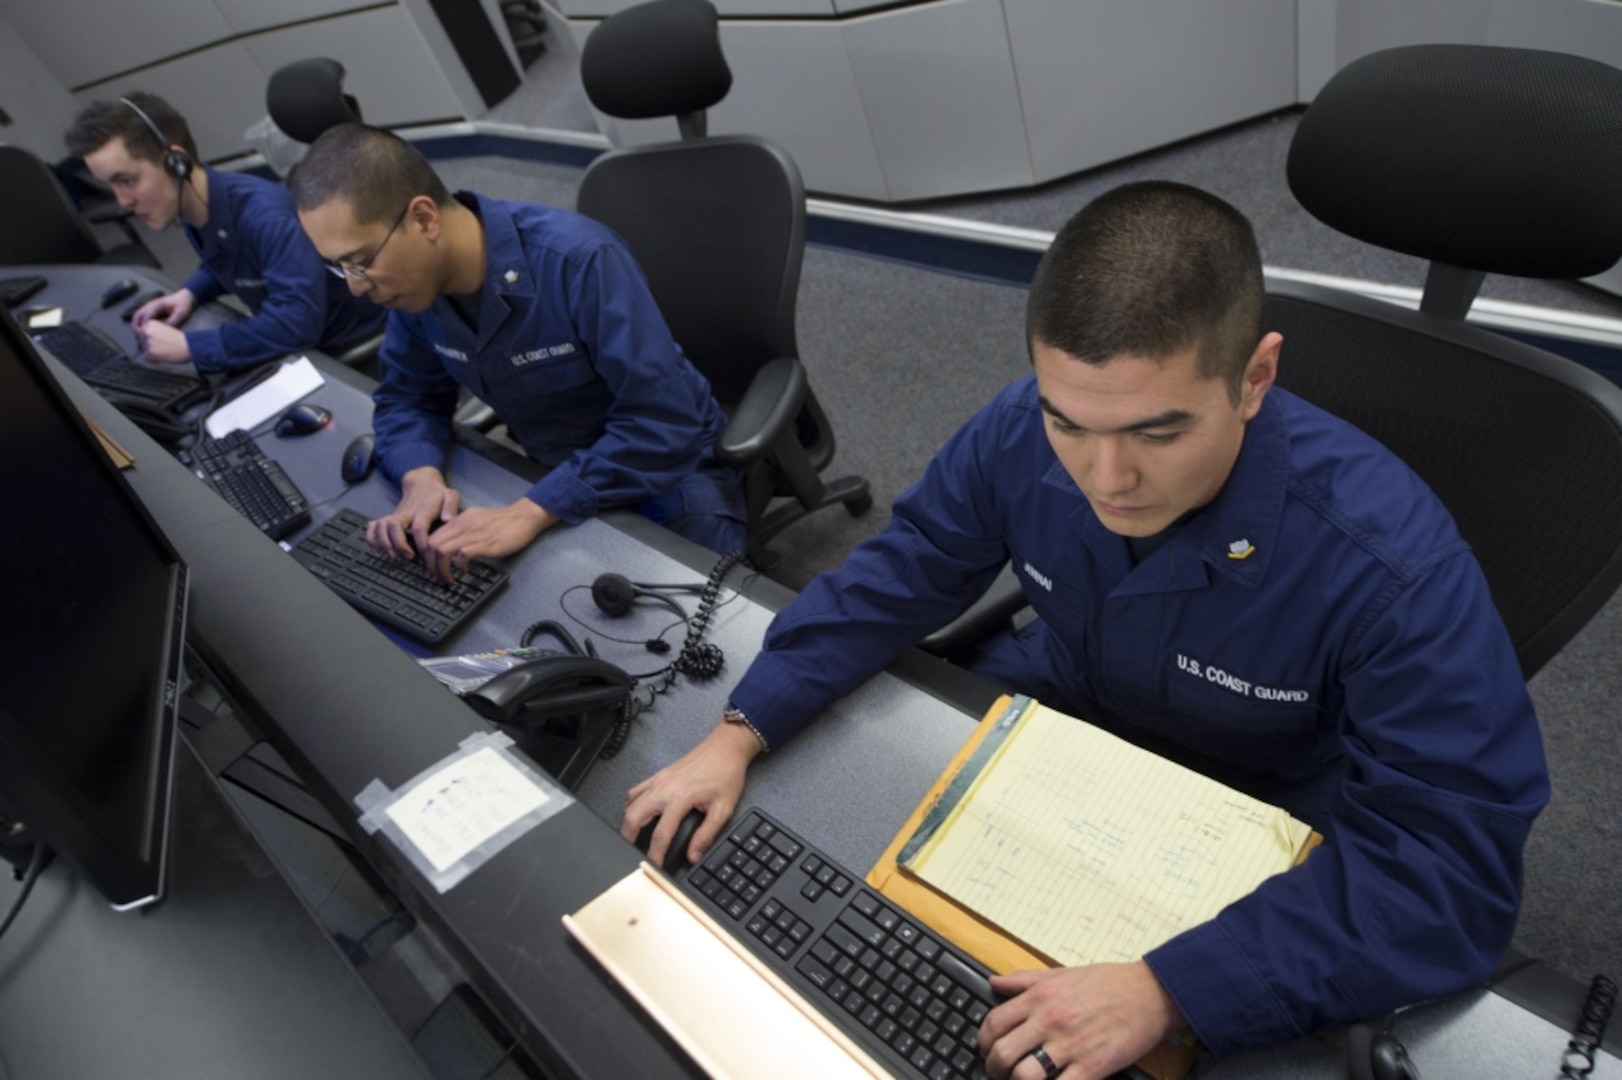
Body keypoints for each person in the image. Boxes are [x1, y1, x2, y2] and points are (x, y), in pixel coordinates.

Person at [621, 182, 1549, 1077]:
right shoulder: (1020, 431)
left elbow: (1449, 870)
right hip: (1075, 701)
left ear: (1255, 377)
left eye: (1157, 432)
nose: (1106, 479)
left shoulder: (1390, 565)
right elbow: (907, 567)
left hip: (1266, 783)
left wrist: (1173, 989)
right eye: (1070, 421)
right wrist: (743, 729)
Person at [287, 124, 746, 578]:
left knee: (682, 632)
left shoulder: (578, 261)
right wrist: (419, 474)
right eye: (339, 267)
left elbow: (663, 423)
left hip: (670, 475)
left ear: (425, 219)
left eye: (361, 261)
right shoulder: (413, 290)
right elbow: (408, 397)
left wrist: (533, 510)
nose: (353, 287)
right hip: (549, 474)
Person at [64, 92, 384, 374]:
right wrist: (189, 293)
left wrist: (192, 346)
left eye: (128, 180)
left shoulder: (266, 218)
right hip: (306, 340)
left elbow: (296, 323)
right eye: (112, 185)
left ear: (177, 161)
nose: (122, 201)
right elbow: (234, 259)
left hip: (345, 352)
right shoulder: (199, 205)